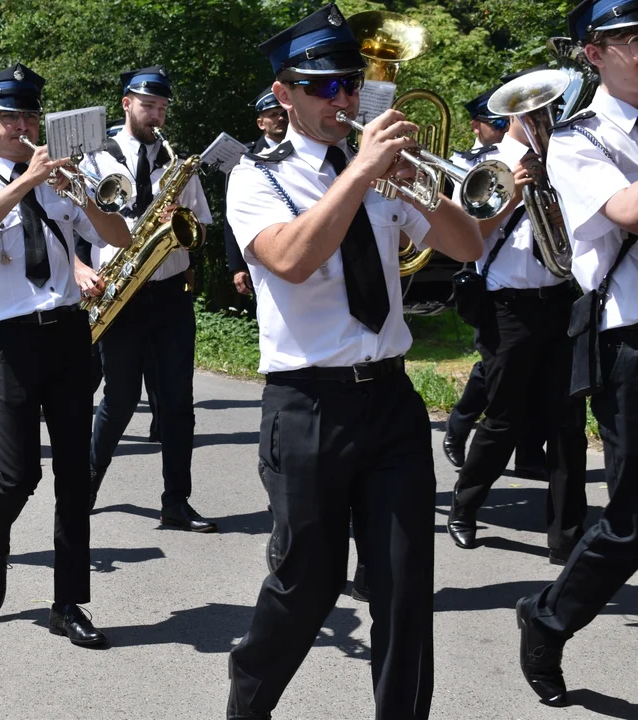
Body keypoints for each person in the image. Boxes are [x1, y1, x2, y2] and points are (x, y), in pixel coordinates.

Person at [223, 5, 482, 718]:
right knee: (305, 586)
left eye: (350, 84)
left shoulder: (377, 170)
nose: (343, 100)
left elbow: (467, 247)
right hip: (308, 406)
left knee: (404, 587)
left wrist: (418, 185)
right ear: (286, 95)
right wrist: (361, 174)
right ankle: (249, 693)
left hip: (391, 403)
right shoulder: (257, 176)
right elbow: (293, 260)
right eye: (324, 87)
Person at [0, 63, 131, 645]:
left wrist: (81, 191)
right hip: (12, 340)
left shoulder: (60, 178)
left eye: (29, 115)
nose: (22, 125)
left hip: (70, 332)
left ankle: (68, 603)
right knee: (21, 474)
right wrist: (26, 181)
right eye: (10, 117)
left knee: (75, 475)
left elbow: (118, 237)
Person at [515, 0, 638, 705]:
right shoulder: (579, 138)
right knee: (630, 523)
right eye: (633, 38)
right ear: (594, 53)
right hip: (630, 339)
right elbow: (626, 211)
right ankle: (548, 618)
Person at [445, 72, 589, 563]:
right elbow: (469, 238)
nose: (543, 121)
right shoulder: (486, 166)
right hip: (509, 309)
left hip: (561, 301)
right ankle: (463, 508)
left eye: (546, 111)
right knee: (504, 418)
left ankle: (567, 537)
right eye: (533, 113)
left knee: (568, 423)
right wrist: (511, 196)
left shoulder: (562, 161)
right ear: (510, 116)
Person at [79, 65, 217, 531]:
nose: (157, 115)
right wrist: (81, 271)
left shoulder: (178, 163)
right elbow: (74, 227)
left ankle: (176, 501)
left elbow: (199, 229)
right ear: (126, 104)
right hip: (121, 292)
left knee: (179, 402)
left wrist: (181, 217)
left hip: (171, 294)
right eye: (148, 106)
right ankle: (88, 484)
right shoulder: (97, 157)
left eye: (162, 108)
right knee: (119, 398)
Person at [226, 89, 290, 297]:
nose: (281, 118)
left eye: (283, 113)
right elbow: (232, 216)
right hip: (261, 254)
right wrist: (238, 265)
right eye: (273, 114)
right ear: (261, 123)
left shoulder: (304, 151)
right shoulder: (246, 158)